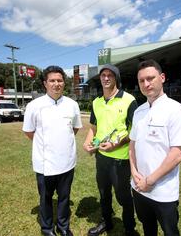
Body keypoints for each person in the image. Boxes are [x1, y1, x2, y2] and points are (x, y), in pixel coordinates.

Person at [129, 59, 181, 236]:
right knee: (148, 228)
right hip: (139, 187)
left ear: (162, 78)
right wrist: (134, 172)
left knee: (170, 231)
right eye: (141, 80)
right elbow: (132, 144)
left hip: (163, 192)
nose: (146, 84)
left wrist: (150, 181)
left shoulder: (176, 110)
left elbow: (178, 154)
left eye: (150, 78)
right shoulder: (139, 111)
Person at [22, 65, 82, 236]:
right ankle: (47, 228)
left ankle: (63, 227)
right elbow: (28, 131)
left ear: (64, 83)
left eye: (60, 80)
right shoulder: (34, 105)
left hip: (67, 162)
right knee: (45, 198)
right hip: (44, 163)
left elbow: (75, 128)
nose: (56, 84)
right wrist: (45, 143)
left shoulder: (72, 104)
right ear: (45, 84)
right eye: (52, 81)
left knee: (64, 198)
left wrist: (62, 142)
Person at [83, 64, 138, 236]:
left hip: (120, 160)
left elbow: (135, 132)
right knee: (103, 193)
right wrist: (87, 142)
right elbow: (93, 127)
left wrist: (117, 144)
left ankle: (129, 228)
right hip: (101, 158)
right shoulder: (96, 102)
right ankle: (107, 222)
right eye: (103, 75)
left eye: (110, 75)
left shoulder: (129, 100)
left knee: (123, 197)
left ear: (116, 78)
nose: (106, 78)